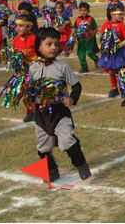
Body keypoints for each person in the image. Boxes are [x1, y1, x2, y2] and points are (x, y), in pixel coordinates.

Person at [29, 27, 92, 182]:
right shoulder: (33, 68)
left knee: (67, 141)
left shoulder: (62, 67)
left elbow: (76, 86)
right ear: (39, 47)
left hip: (60, 112)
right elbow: (31, 90)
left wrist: (72, 99)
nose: (53, 48)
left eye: (56, 44)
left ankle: (82, 165)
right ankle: (52, 170)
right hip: (42, 114)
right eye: (49, 44)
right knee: (43, 147)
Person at [98, 6, 125, 98]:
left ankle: (124, 88)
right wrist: (102, 45)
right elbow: (103, 36)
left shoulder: (121, 25)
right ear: (112, 14)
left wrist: (118, 46)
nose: (121, 16)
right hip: (110, 53)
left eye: (122, 14)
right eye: (119, 14)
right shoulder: (106, 24)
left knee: (122, 70)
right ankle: (114, 88)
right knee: (111, 70)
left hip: (120, 52)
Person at [11, 14, 38, 124]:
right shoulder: (16, 39)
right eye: (16, 26)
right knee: (24, 92)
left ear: (29, 26)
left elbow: (41, 53)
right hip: (22, 71)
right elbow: (14, 54)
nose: (17, 28)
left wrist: (34, 62)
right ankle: (29, 111)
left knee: (34, 91)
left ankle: (37, 111)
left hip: (35, 70)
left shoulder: (35, 39)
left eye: (21, 26)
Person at [74, 3, 100, 74]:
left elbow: (95, 29)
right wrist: (74, 37)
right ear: (79, 11)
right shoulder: (77, 19)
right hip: (80, 39)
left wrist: (91, 36)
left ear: (88, 11)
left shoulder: (91, 19)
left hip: (89, 39)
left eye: (85, 10)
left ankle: (97, 59)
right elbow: (75, 28)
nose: (83, 12)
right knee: (80, 53)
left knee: (89, 52)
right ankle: (84, 66)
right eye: (81, 10)